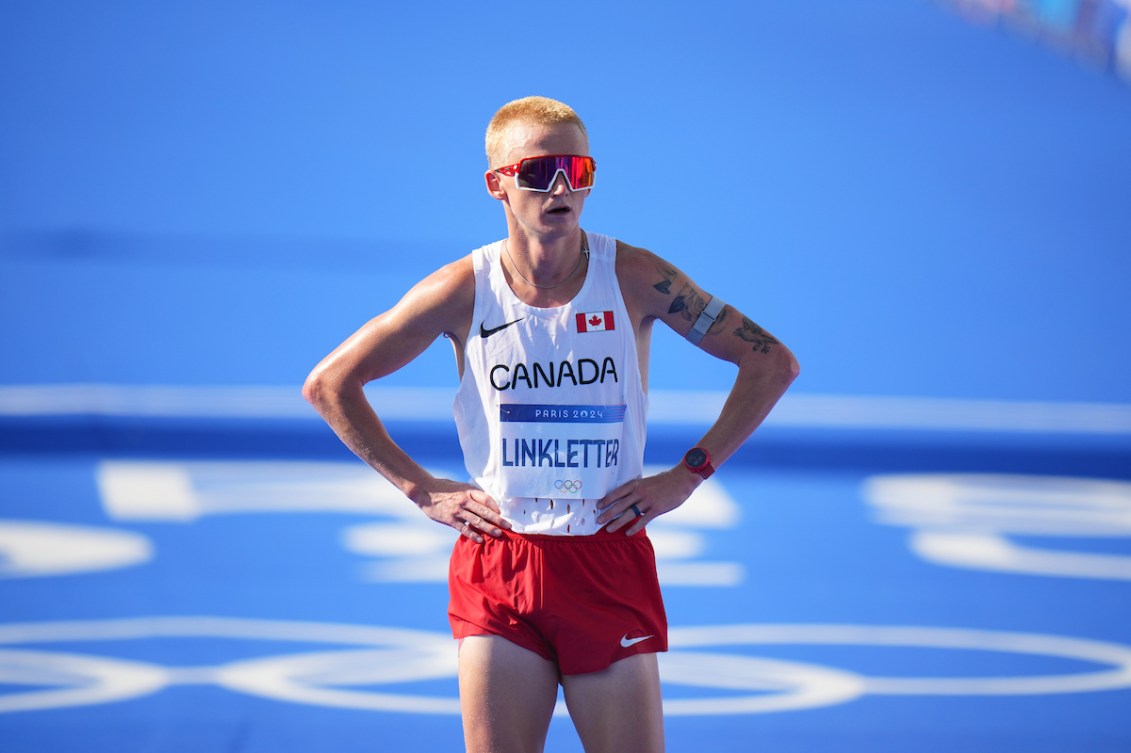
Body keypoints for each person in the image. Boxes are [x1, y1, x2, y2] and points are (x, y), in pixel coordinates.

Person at [303, 95, 798, 753]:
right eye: (538, 171)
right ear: (497, 184)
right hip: (499, 559)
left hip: (605, 555)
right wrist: (419, 486)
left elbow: (770, 361)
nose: (561, 186)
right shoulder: (460, 289)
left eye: (576, 167)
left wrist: (689, 472)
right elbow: (329, 384)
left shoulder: (637, 276)